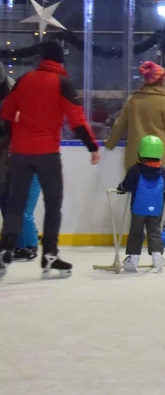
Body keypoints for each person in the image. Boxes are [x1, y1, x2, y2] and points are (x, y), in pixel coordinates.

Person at [0, 41, 100, 279]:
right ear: (60, 61)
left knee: (15, 204)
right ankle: (50, 256)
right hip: (47, 153)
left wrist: (14, 138)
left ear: (42, 58)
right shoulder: (62, 83)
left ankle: (5, 252)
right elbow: (77, 120)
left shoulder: (24, 80)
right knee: (53, 204)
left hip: (20, 153)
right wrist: (92, 147)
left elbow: (6, 113)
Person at [116, 135, 165, 274]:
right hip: (156, 209)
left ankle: (133, 259)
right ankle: (157, 257)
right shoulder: (163, 171)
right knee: (154, 232)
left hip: (138, 208)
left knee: (136, 231)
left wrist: (121, 188)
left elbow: (127, 185)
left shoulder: (135, 169)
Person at [105, 61, 165, 172]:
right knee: (157, 187)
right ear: (159, 80)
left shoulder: (133, 99)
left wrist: (110, 143)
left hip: (135, 156)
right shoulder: (164, 101)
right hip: (158, 155)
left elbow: (120, 125)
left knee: (135, 186)